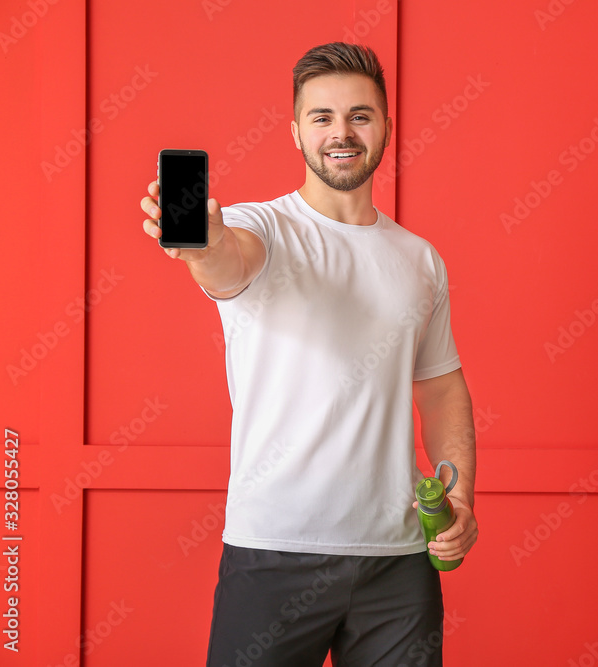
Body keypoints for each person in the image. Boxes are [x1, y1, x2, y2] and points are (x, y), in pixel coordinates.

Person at [139, 42, 477, 667]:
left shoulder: (420, 259)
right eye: (321, 117)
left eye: (360, 115)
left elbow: (441, 385)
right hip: (273, 555)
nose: (341, 132)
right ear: (295, 132)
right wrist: (203, 244)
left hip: (399, 564)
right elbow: (226, 263)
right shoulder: (260, 228)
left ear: (385, 128)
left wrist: (462, 495)